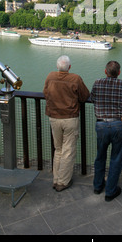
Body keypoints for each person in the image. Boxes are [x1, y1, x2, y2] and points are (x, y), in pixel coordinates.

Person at [90, 60, 122, 201]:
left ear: (105, 71)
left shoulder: (97, 83)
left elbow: (92, 98)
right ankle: (110, 191)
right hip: (119, 124)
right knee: (116, 158)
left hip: (101, 125)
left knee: (100, 156)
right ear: (119, 72)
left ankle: (97, 186)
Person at [43, 55, 89, 191]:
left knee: (58, 149)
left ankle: (56, 179)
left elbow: (45, 93)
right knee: (68, 151)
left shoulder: (50, 76)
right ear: (69, 67)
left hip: (54, 118)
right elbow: (84, 96)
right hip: (70, 118)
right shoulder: (75, 78)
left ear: (57, 66)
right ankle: (63, 182)